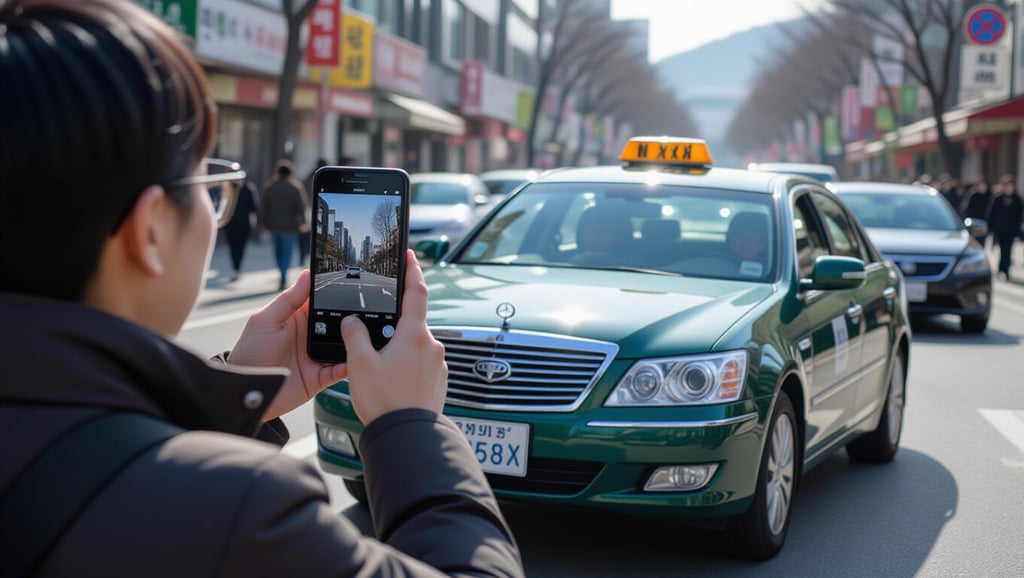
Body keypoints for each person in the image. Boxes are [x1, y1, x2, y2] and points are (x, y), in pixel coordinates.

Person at [0, 3, 523, 578]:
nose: (214, 208)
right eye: (208, 182)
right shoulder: (242, 510)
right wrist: (411, 425)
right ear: (150, 230)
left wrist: (241, 403)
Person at [260, 159, 308, 290]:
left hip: (274, 224)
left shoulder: (269, 187)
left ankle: (281, 273)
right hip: (291, 225)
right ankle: (283, 274)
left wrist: (263, 223)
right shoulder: (295, 187)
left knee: (277, 251)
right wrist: (303, 222)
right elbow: (301, 207)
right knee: (287, 251)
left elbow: (264, 207)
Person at [986, 174, 1024, 280]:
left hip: (1011, 230)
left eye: (1011, 186)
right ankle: (1000, 269)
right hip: (999, 229)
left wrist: (1019, 230)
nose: (1009, 188)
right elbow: (991, 214)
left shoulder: (1017, 200)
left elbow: (1020, 216)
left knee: (1007, 251)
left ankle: (1005, 270)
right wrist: (990, 228)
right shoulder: (997, 198)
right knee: (1001, 250)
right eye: (1007, 186)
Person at [222, 175, 260, 282]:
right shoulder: (247, 188)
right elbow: (254, 207)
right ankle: (236, 267)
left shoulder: (229, 189)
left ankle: (235, 267)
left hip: (230, 223)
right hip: (242, 223)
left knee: (233, 246)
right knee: (239, 247)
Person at [300, 159, 327, 268]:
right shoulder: (322, 177)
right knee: (315, 235)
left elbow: (303, 191)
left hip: (310, 208)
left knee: (309, 236)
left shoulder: (310, 176)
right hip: (314, 208)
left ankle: (304, 258)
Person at [960, 178, 993, 247]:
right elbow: (968, 208)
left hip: (984, 223)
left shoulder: (990, 196)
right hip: (974, 222)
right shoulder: (974, 195)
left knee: (982, 242)